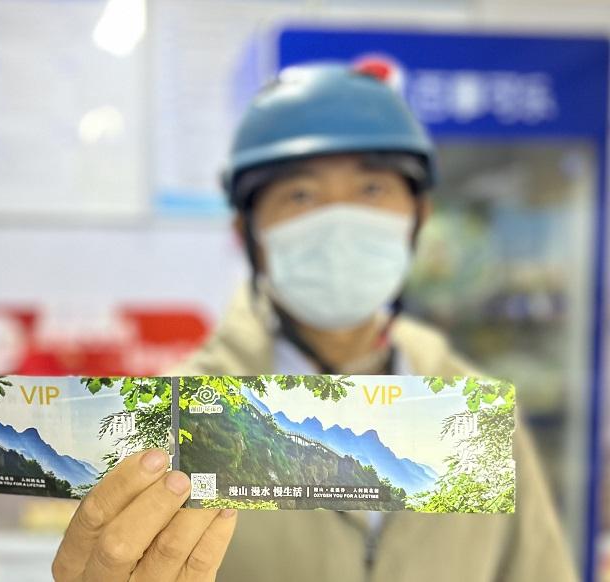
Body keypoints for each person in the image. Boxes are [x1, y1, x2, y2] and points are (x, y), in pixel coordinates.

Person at [52, 64, 577, 581]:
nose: (339, 222)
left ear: (418, 216)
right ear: (247, 231)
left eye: (372, 189)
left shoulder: (479, 414)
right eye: (300, 195)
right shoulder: (173, 420)